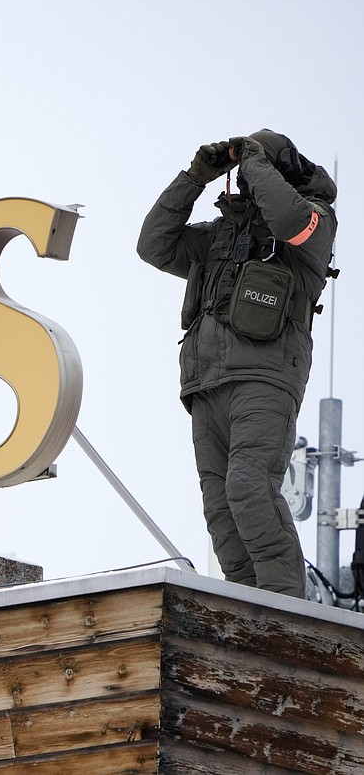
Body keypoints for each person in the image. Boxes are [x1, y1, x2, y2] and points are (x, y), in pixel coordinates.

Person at [137, 129, 338, 599]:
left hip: (264, 381)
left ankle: (288, 613)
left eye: (256, 169)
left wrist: (255, 160)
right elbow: (153, 246)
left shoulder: (313, 225)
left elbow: (289, 219)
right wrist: (195, 178)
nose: (245, 180)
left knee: (250, 489)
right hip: (206, 385)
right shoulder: (221, 235)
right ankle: (248, 610)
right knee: (221, 512)